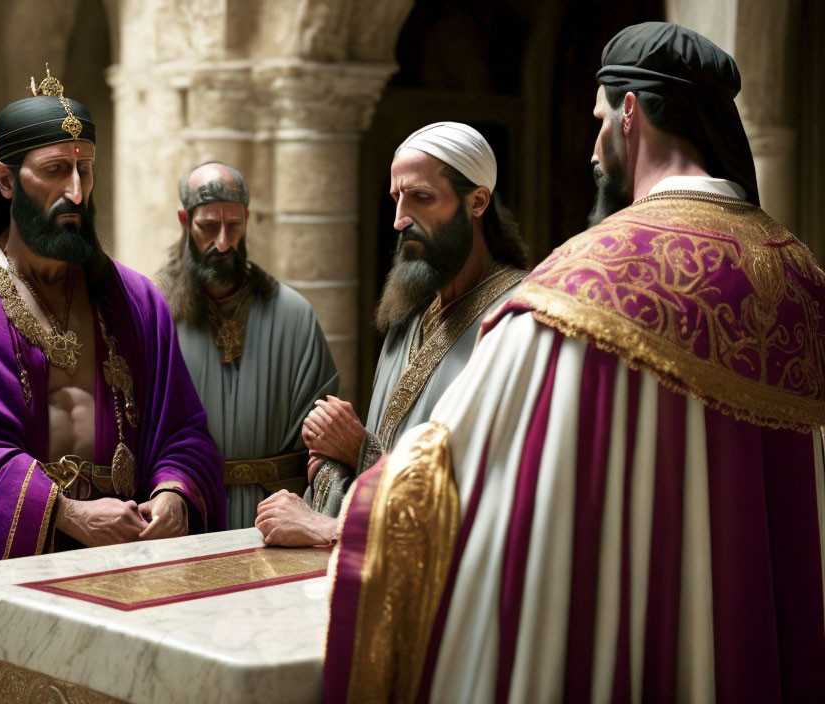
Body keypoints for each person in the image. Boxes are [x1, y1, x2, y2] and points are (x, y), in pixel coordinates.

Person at [323, 23, 825, 702]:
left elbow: (447, 489)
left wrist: (347, 515)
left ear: (630, 112)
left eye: (598, 120)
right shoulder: (797, 275)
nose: (593, 148)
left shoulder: (587, 283)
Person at [0, 66, 226, 569]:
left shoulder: (136, 300)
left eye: (84, 169)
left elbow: (184, 429)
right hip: (13, 565)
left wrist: (175, 494)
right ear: (6, 181)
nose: (76, 191)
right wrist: (62, 512)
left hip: (127, 559)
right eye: (53, 171)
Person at [256, 122, 529, 546]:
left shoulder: (520, 319)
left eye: (421, 197)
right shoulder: (411, 314)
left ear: (477, 201)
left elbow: (493, 496)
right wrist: (334, 454)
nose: (401, 219)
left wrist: (355, 456)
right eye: (397, 199)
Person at [156, 162, 339, 529]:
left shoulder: (294, 314)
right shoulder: (156, 314)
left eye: (234, 226)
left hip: (276, 519)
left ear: (247, 219)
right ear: (184, 220)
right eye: (208, 227)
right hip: (190, 519)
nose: (223, 242)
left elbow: (327, 442)